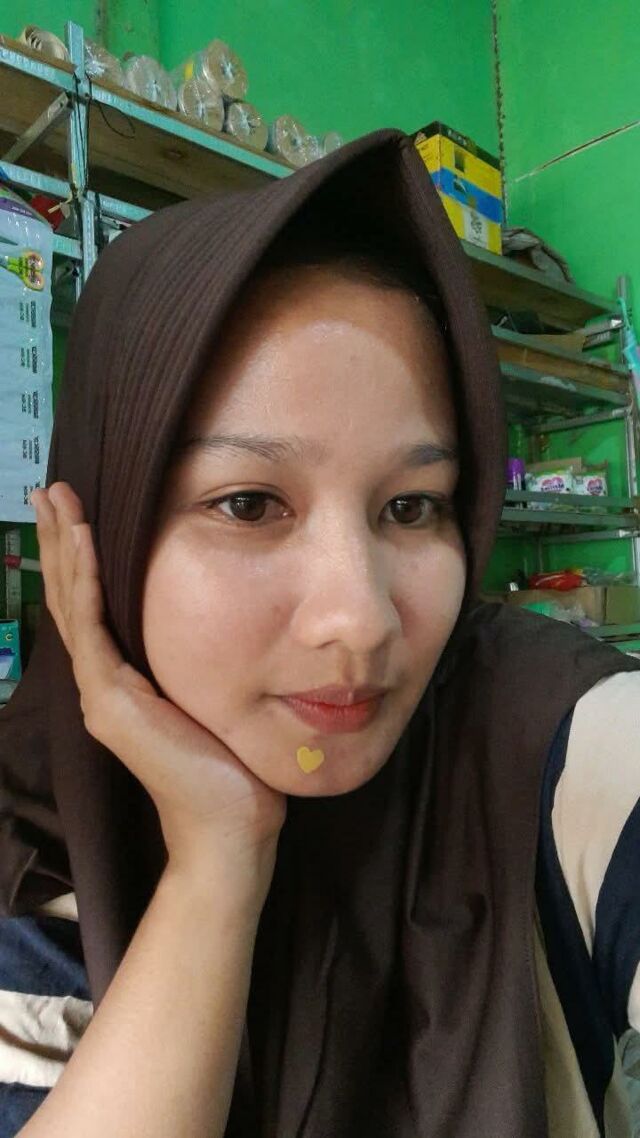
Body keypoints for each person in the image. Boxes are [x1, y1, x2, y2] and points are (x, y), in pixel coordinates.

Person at [0, 127, 639, 1138]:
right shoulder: (28, 863)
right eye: (249, 504)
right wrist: (218, 859)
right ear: (103, 531)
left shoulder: (527, 734)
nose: (362, 618)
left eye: (412, 508)